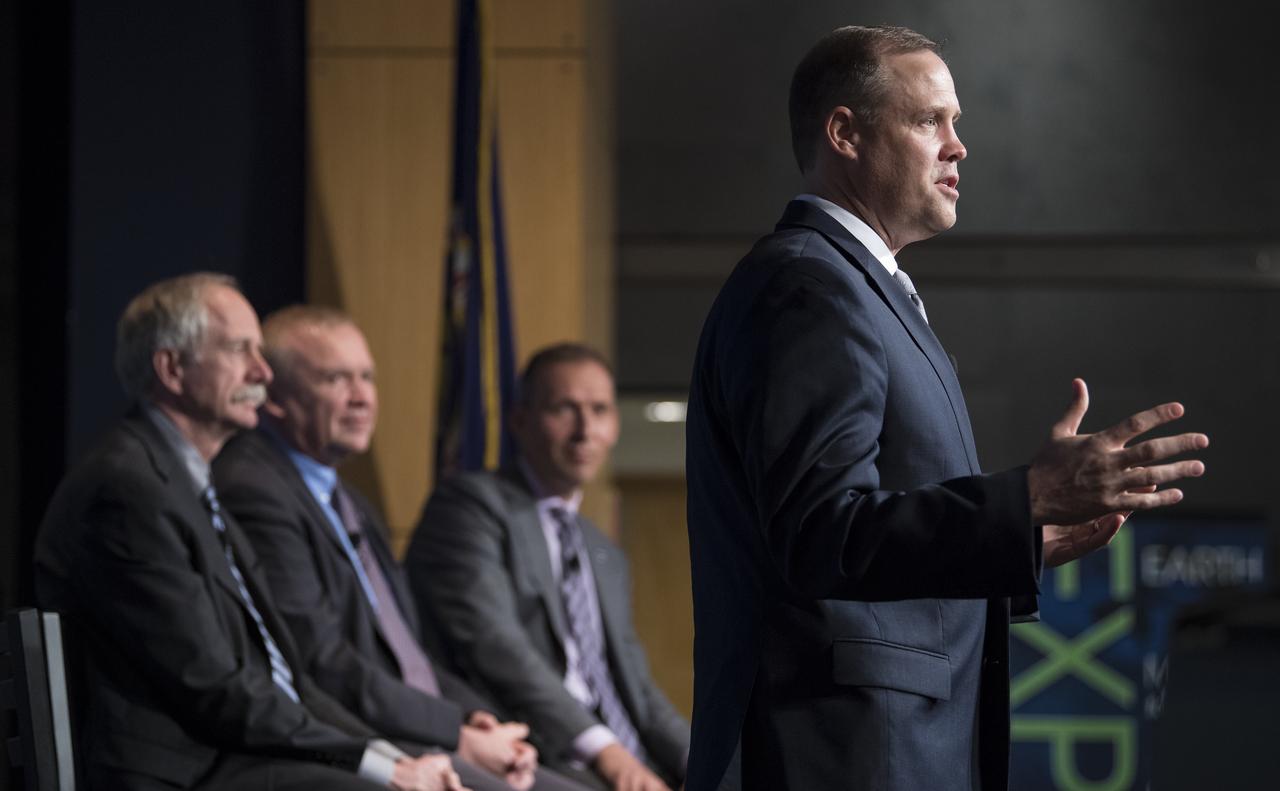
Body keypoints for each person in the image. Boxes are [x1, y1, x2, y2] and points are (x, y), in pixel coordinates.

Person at [683, 26, 1209, 791]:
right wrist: (1025, 494)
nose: (958, 147)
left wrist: (1020, 538)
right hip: (841, 756)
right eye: (930, 120)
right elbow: (822, 532)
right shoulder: (808, 288)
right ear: (845, 133)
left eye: (956, 123)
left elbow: (871, 534)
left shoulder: (858, 288)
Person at [34, 273, 464, 791]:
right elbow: (213, 686)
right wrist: (382, 770)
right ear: (171, 368)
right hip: (187, 770)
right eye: (240, 350)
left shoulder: (188, 482)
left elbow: (290, 678)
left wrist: (382, 755)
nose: (262, 372)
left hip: (235, 753)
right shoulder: (128, 490)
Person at [213, 306, 589, 791]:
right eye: (336, 379)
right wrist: (454, 733)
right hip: (362, 741)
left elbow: (408, 652)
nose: (361, 398)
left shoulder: (350, 502)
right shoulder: (254, 487)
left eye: (366, 377)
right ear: (277, 398)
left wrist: (479, 721)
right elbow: (321, 661)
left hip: (419, 730)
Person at [407, 344, 689, 791]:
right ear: (520, 421)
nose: (585, 430)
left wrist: (712, 765)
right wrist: (609, 753)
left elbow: (637, 688)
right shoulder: (469, 507)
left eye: (599, 410)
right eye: (565, 409)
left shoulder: (603, 551)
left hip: (627, 755)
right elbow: (496, 647)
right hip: (536, 749)